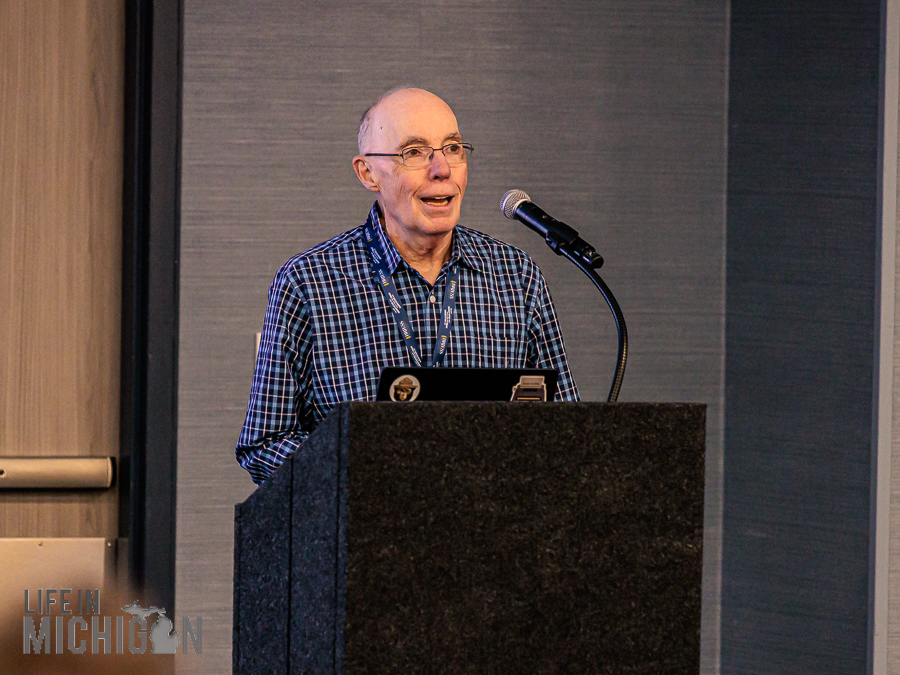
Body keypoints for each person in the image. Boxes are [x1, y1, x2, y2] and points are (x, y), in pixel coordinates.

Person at [236, 87, 579, 485]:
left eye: (453, 149)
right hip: (366, 519)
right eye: (414, 152)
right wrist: (365, 473)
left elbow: (568, 431)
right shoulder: (309, 282)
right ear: (368, 173)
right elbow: (264, 444)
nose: (442, 169)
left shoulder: (516, 275)